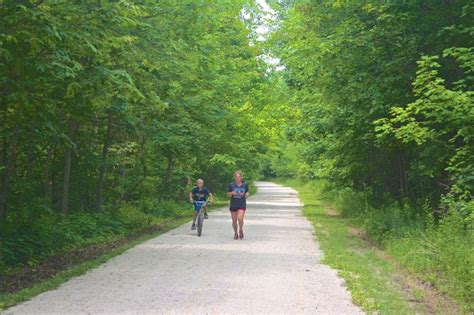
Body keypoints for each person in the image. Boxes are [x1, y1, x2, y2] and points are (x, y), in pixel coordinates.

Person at [227, 171, 249, 240]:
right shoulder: (231, 185)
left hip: (241, 204)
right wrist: (232, 193)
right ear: (234, 177)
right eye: (236, 177)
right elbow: (228, 193)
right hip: (233, 205)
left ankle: (241, 230)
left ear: (241, 177)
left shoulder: (245, 184)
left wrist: (246, 194)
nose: (238, 178)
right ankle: (236, 233)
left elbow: (247, 192)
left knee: (240, 218)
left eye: (239, 176)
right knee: (234, 221)